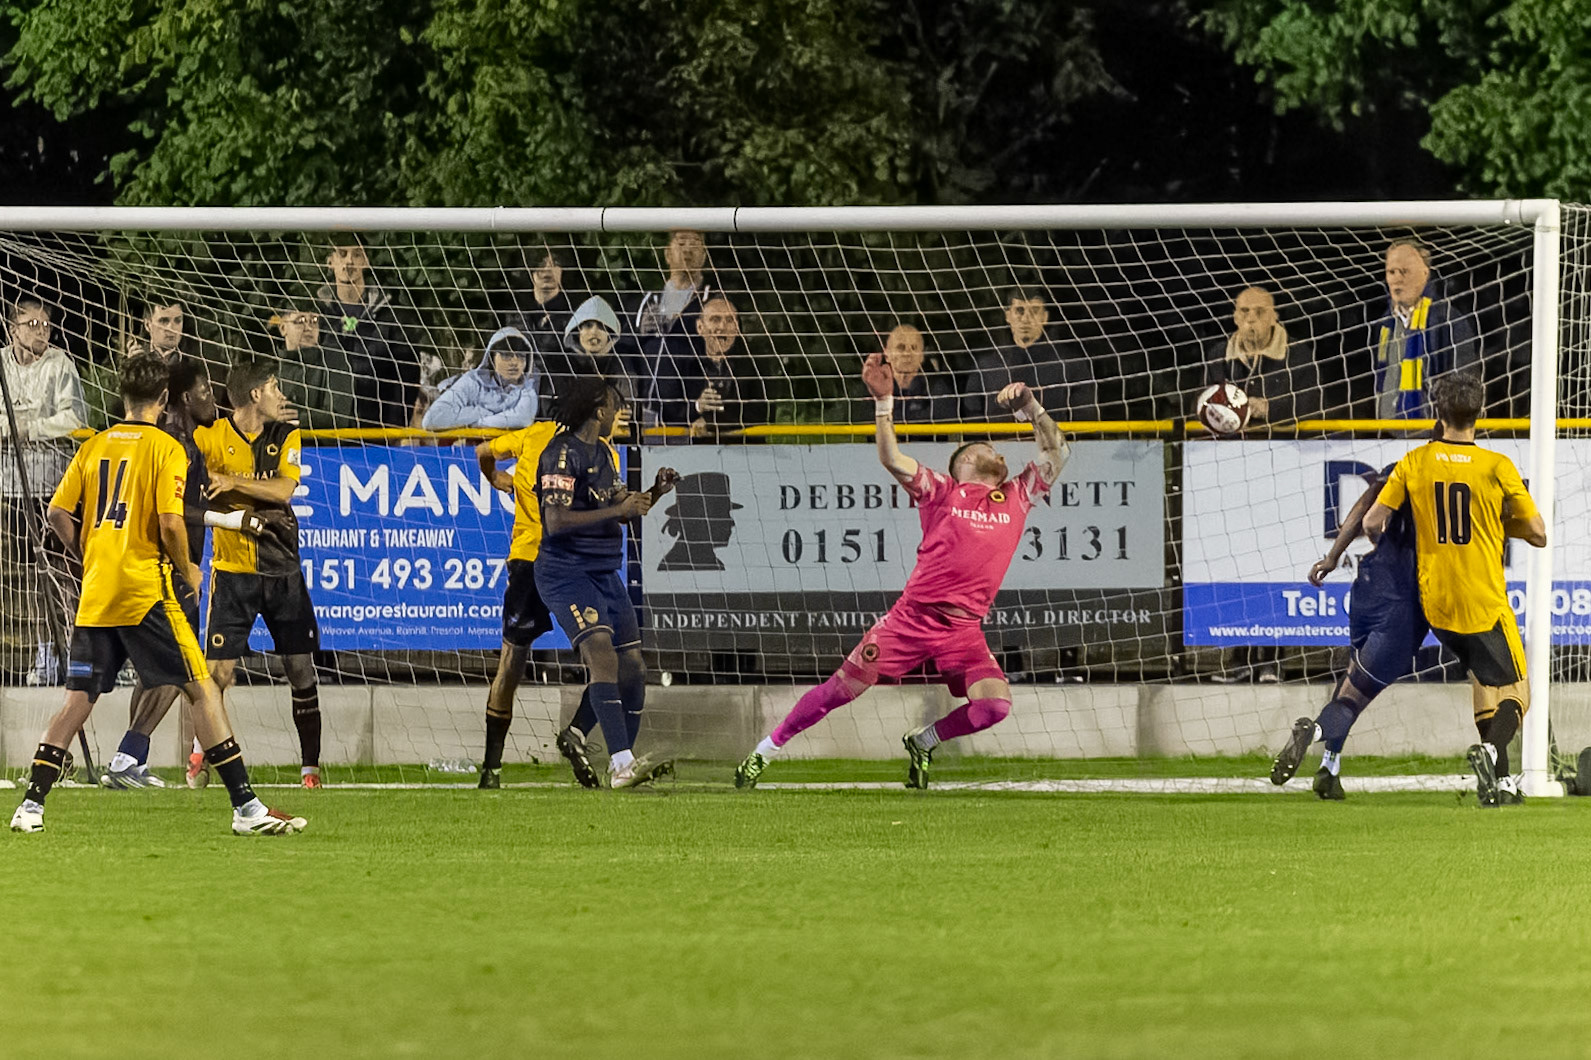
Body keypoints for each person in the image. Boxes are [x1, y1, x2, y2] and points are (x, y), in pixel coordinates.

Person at [735, 356, 1069, 790]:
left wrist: (1029, 406)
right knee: (842, 689)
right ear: (966, 459)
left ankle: (924, 741)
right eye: (988, 447)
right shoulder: (943, 491)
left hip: (965, 630)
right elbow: (892, 457)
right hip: (914, 618)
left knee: (995, 708)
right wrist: (884, 402)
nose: (999, 451)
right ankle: (764, 751)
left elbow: (1058, 451)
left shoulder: (1016, 495)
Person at [10, 354, 304, 835]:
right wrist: (188, 570)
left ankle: (31, 807)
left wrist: (91, 554)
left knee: (78, 699)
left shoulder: (94, 445)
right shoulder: (167, 447)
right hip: (147, 588)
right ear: (164, 398)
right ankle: (246, 808)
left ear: (122, 397)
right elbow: (170, 522)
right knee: (200, 688)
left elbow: (58, 515)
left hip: (99, 590)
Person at [98, 358, 292, 789]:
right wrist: (222, 529)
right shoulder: (175, 444)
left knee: (158, 670)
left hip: (149, 565)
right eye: (206, 391)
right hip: (169, 567)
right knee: (180, 668)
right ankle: (134, 757)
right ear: (184, 398)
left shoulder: (187, 441)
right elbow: (175, 512)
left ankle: (131, 760)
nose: (215, 399)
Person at [1362, 371, 1546, 805]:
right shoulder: (1497, 466)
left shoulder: (1414, 462)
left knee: (1485, 682)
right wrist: (1498, 521)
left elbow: (1373, 522)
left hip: (1436, 602)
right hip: (1482, 598)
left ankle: (1499, 786)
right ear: (1479, 414)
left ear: (1437, 414)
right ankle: (1491, 748)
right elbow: (1537, 533)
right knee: (1519, 692)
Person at [534, 377, 679, 788]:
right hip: (565, 573)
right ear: (599, 411)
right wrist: (618, 510)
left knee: (633, 666)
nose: (619, 413)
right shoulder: (561, 454)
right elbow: (556, 522)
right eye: (616, 406)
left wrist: (655, 492)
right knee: (601, 653)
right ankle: (621, 764)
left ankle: (620, 762)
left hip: (603, 572)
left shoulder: (603, 452)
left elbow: (624, 506)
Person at [194, 358, 325, 788]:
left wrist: (231, 483)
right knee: (217, 675)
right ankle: (200, 759)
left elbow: (283, 489)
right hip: (231, 572)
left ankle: (310, 770)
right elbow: (196, 490)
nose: (280, 394)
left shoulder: (287, 433)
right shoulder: (208, 437)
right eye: (273, 386)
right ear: (255, 395)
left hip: (281, 567)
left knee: (300, 668)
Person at [1268, 468, 1425, 799]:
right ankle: (1315, 733)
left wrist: (1333, 556)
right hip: (1405, 598)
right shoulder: (1456, 472)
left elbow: (1364, 511)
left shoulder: (1406, 466)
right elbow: (1372, 523)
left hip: (1368, 586)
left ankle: (1330, 767)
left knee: (1354, 676)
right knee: (1354, 698)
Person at [474, 415, 609, 789]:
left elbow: (483, 450)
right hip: (569, 564)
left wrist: (498, 479)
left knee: (511, 664)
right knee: (608, 658)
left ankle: (491, 770)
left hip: (529, 560)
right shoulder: (597, 448)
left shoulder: (534, 434)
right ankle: (580, 735)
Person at [1202, 286, 1322, 683]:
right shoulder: (1221, 354)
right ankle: (1239, 659)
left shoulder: (1298, 356)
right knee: (1237, 560)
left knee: (1275, 559)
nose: (1251, 319)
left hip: (1284, 465)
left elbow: (1309, 402)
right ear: (1235, 317)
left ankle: (1272, 658)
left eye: (1258, 312)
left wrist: (1266, 407)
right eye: (1244, 312)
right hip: (1233, 469)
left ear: (1273, 316)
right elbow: (1203, 401)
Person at [0, 294, 86, 685]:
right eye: (32, 324)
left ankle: (60, 655)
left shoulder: (61, 365)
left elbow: (74, 419)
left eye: (46, 325)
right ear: (13, 328)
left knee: (58, 574)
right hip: (8, 488)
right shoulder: (1, 363)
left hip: (50, 489)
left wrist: (29, 427)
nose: (41, 332)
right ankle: (17, 657)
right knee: (14, 578)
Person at [1368, 238, 1480, 419]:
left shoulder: (1448, 319)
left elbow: (1464, 379)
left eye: (1405, 272)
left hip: (1435, 429)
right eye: (1392, 272)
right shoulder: (1384, 324)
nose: (1397, 279)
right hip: (1388, 431)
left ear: (1425, 273)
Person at [316, 237, 415, 428]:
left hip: (377, 427)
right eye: (342, 254)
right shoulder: (316, 313)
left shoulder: (392, 315)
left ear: (366, 262)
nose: (349, 261)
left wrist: (395, 427)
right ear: (330, 262)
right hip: (327, 427)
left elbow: (407, 375)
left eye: (357, 254)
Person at [961, 288, 1096, 423]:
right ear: (1008, 316)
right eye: (1019, 310)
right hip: (1000, 443)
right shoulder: (986, 366)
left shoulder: (1070, 364)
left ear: (1045, 317)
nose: (1026, 319)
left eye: (1034, 311)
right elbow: (973, 417)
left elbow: (1085, 418)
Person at [653, 296, 767, 440]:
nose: (722, 327)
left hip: (744, 451)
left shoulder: (754, 366)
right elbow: (667, 414)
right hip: (694, 453)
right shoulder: (682, 366)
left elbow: (761, 414)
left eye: (730, 320)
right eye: (715, 319)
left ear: (737, 328)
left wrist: (711, 423)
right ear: (700, 327)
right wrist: (697, 407)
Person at [84, 299, 188, 431]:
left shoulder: (195, 362)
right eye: (164, 321)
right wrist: (131, 374)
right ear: (148, 325)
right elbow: (112, 407)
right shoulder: (131, 359)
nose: (171, 328)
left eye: (177, 321)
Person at [549, 296, 641, 436]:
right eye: (588, 325)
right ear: (577, 331)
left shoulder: (621, 363)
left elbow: (626, 406)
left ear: (610, 334)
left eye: (601, 327)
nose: (594, 332)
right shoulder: (561, 364)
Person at [422, 326, 540, 431]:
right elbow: (432, 419)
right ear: (491, 357)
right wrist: (480, 412)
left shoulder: (527, 388)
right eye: (506, 355)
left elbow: (522, 419)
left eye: (521, 356)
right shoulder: (472, 381)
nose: (515, 362)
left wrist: (478, 423)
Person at [853, 324, 959, 425]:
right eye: (901, 347)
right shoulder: (874, 384)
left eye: (914, 347)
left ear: (922, 356)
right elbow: (864, 418)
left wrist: (888, 419)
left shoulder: (937, 386)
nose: (907, 353)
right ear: (887, 354)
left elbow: (944, 418)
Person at [272, 309, 358, 430]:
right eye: (300, 321)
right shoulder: (271, 367)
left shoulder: (334, 360)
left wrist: (298, 417)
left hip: (322, 447)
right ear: (283, 328)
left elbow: (338, 417)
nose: (308, 327)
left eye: (314, 320)